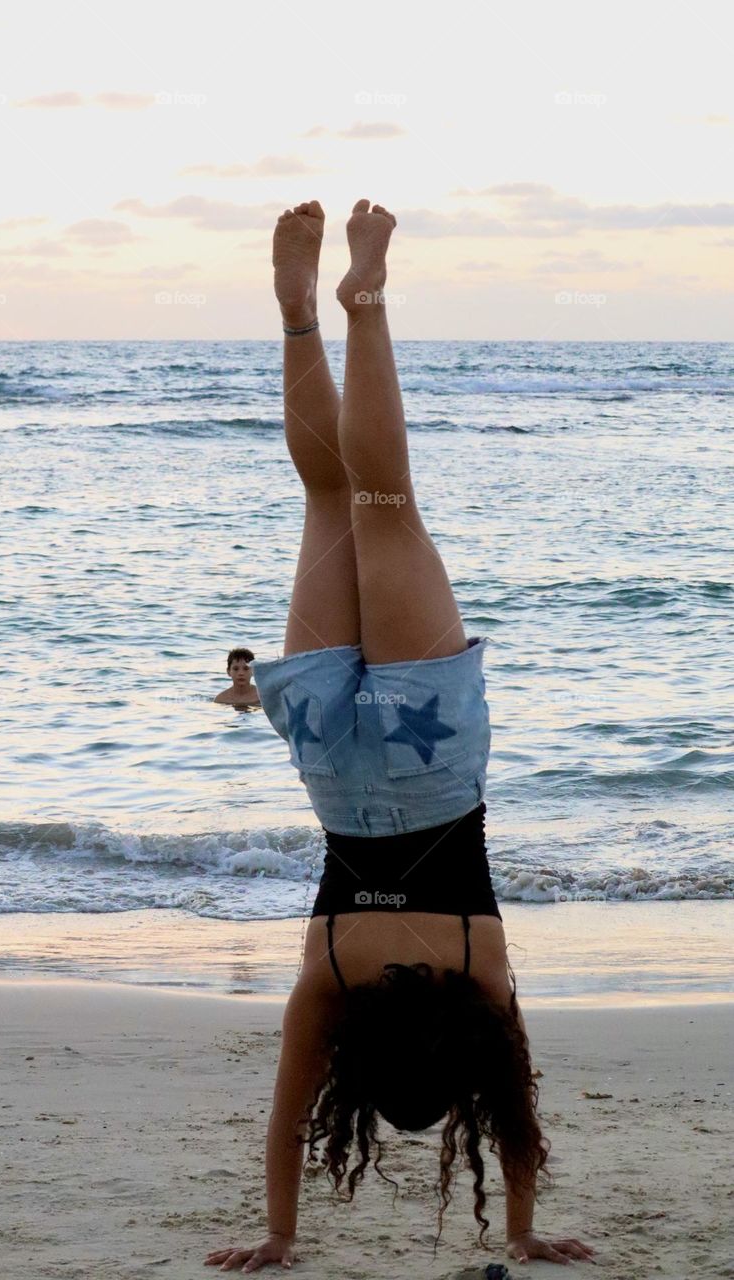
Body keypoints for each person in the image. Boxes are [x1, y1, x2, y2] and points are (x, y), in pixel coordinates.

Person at [204, 201, 595, 1273]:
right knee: (331, 495)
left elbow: (514, 1116)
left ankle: (364, 301)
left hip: (433, 759)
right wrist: (277, 1231)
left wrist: (519, 1226)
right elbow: (284, 1118)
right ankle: (295, 319)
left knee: (385, 496)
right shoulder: (330, 974)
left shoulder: (480, 972)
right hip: (329, 760)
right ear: (356, 1065)